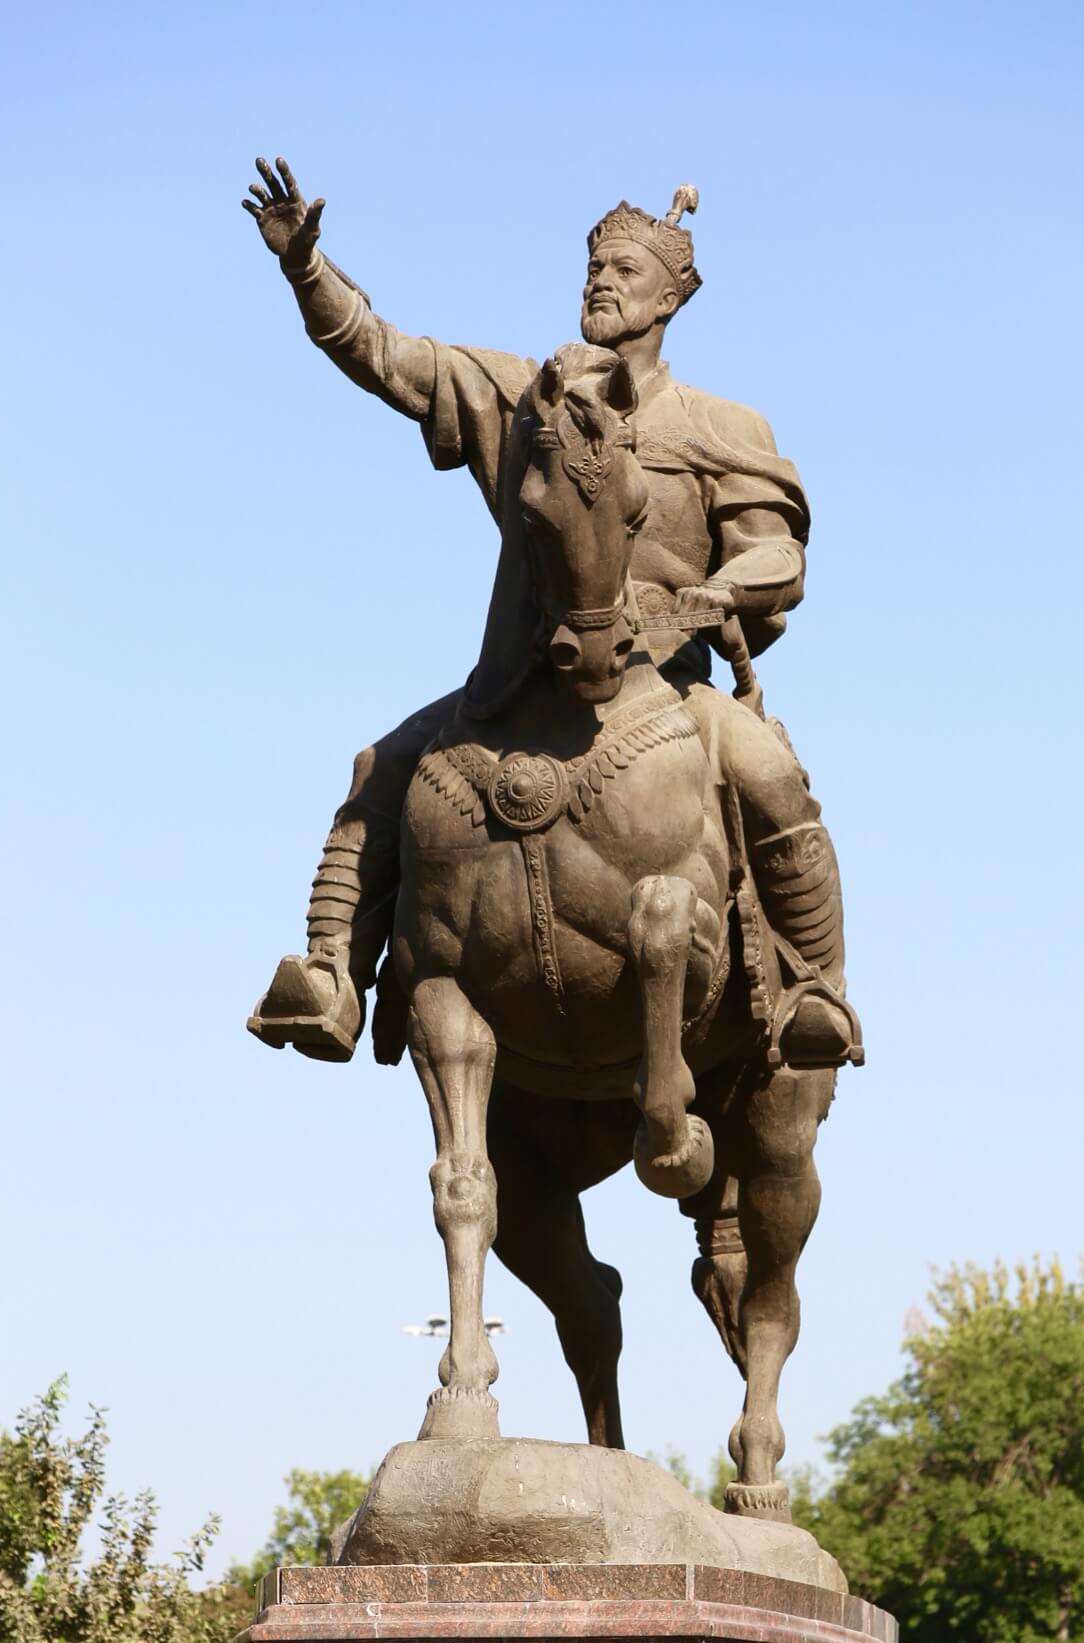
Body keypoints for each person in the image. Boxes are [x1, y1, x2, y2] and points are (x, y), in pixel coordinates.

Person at [241, 159, 858, 1070]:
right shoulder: (522, 400)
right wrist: (306, 270)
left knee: (768, 768)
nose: (601, 284)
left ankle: (815, 991)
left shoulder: (722, 425)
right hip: (517, 676)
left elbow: (778, 552)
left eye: (625, 273)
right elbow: (388, 355)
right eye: (593, 271)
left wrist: (719, 592)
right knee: (387, 765)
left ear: (672, 298)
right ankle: (335, 973)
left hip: (662, 685)